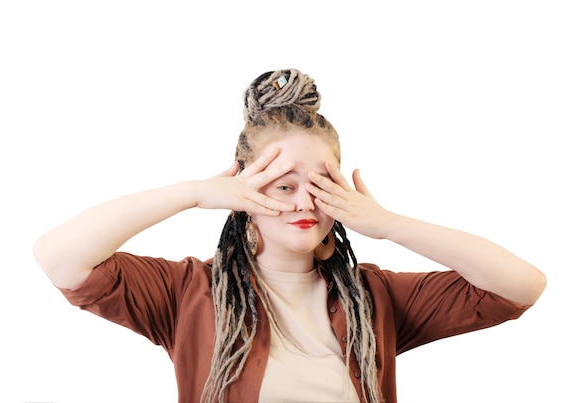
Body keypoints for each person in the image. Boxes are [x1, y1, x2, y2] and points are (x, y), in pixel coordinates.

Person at [33, 68, 547, 403]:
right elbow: (60, 258)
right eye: (282, 185)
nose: (304, 202)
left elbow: (521, 286)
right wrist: (192, 192)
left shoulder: (376, 296)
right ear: (243, 191)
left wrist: (388, 224)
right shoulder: (189, 292)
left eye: (322, 185)